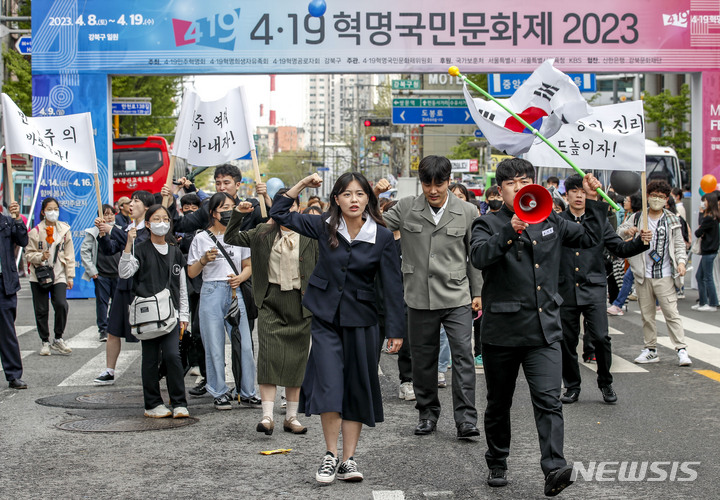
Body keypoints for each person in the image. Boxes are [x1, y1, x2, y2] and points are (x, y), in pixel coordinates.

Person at [470, 158, 605, 496]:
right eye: (512, 182)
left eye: (526, 179)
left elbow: (589, 236)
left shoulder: (551, 218)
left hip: (544, 330)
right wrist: (510, 230)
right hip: (502, 331)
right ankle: (497, 460)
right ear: (500, 190)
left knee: (549, 401)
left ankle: (554, 469)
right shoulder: (486, 223)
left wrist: (593, 199)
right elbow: (480, 257)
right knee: (499, 403)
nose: (520, 186)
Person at [270, 172, 404, 485]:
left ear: (368, 198)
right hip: (326, 318)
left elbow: (392, 285)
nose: (353, 200)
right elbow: (278, 212)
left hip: (363, 321)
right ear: (336, 199)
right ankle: (330, 455)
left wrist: (396, 330)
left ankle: (348, 459)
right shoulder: (323, 225)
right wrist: (303, 184)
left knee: (356, 388)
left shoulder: (382, 236)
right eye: (346, 194)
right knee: (329, 385)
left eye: (359, 194)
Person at [382, 155, 482, 440]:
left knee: (463, 357)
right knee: (422, 360)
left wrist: (478, 293)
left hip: (457, 296)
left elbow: (474, 257)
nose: (433, 190)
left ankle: (465, 420)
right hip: (418, 297)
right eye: (428, 183)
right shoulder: (406, 208)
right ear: (421, 182)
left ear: (449, 181)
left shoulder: (467, 211)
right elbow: (373, 225)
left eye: (439, 183)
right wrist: (375, 193)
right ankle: (427, 414)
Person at [225, 188, 319, 434]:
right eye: (282, 208)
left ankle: (291, 417)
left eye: (291, 207)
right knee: (268, 359)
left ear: (298, 208)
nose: (287, 212)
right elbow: (231, 237)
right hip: (271, 302)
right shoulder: (262, 233)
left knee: (297, 362)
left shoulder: (311, 235)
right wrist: (238, 213)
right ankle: (267, 417)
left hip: (300, 304)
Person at [557, 175, 650, 406]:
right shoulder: (557, 221)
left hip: (593, 288)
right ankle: (572, 386)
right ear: (566, 195)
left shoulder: (599, 221)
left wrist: (641, 242)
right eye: (574, 191)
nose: (579, 196)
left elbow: (619, 247)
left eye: (583, 191)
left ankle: (605, 381)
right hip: (565, 289)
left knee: (600, 337)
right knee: (566, 341)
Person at [187, 192, 257, 410]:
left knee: (245, 344)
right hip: (211, 291)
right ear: (212, 212)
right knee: (214, 345)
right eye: (224, 208)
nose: (228, 211)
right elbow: (191, 272)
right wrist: (203, 260)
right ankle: (218, 391)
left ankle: (247, 392)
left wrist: (241, 278)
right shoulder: (201, 238)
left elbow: (249, 266)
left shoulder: (240, 235)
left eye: (232, 207)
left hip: (235, 291)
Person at [118, 204, 190, 419]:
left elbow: (182, 286)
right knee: (149, 359)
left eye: (165, 219)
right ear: (147, 224)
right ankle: (152, 404)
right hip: (148, 316)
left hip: (171, 315)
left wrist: (184, 315)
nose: (162, 223)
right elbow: (124, 273)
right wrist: (129, 244)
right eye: (156, 219)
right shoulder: (140, 249)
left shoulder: (175, 252)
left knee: (172, 355)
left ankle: (179, 402)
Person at [618, 180, 692, 366]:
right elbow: (619, 233)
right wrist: (629, 231)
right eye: (654, 195)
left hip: (665, 274)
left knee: (671, 313)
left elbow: (678, 245)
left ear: (667, 199)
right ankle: (650, 349)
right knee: (647, 315)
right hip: (643, 275)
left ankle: (681, 349)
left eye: (661, 196)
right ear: (647, 196)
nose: (657, 199)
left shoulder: (672, 220)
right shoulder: (637, 217)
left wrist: (681, 262)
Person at [93, 190, 154, 385]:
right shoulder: (127, 227)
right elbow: (111, 249)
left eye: (136, 201)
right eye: (130, 201)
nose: (131, 204)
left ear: (146, 207)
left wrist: (111, 229)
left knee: (148, 331)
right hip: (124, 284)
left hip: (142, 286)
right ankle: (109, 370)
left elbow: (137, 245)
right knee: (113, 329)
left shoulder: (149, 229)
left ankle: (153, 370)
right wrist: (103, 235)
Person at [26, 197, 75, 356]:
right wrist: (40, 256)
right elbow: (28, 254)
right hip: (39, 275)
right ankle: (45, 341)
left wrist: (70, 276)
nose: (53, 212)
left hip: (59, 273)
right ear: (43, 212)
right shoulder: (35, 232)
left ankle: (58, 338)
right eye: (49, 209)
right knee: (41, 309)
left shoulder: (64, 231)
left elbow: (70, 255)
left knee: (61, 304)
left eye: (55, 209)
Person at [0, 200, 29, 389]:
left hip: (4, 283)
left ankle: (13, 374)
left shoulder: (7, 222)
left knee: (7, 331)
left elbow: (23, 240)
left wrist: (18, 218)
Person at [81, 204, 120, 342]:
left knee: (117, 303)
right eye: (105, 214)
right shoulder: (93, 232)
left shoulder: (118, 231)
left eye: (111, 214)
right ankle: (103, 329)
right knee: (102, 303)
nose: (109, 216)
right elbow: (85, 251)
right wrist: (92, 270)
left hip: (117, 273)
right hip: (101, 274)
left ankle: (113, 326)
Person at [692, 191, 719, 312]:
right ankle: (703, 302)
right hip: (710, 251)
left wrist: (701, 213)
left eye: (705, 201)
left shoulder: (708, 218)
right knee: (700, 276)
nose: (703, 203)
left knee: (707, 278)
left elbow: (698, 232)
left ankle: (712, 303)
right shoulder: (714, 217)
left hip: (709, 251)